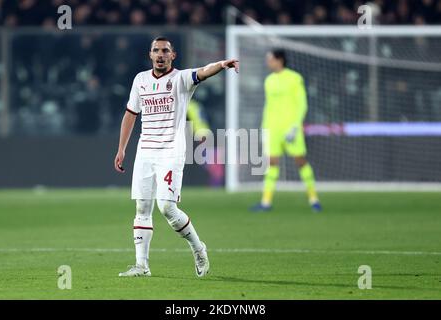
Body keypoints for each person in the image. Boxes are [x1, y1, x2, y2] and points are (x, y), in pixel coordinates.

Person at [114, 36, 239, 277]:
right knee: (142, 206)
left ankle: (198, 248)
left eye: (164, 51)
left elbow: (203, 72)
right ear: (150, 54)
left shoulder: (181, 79)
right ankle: (142, 265)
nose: (160, 54)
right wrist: (122, 149)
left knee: (167, 208)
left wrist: (222, 64)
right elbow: (131, 114)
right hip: (145, 151)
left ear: (173, 56)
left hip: (171, 151)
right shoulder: (140, 80)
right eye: (155, 50)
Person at [250, 49, 321, 213]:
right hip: (272, 128)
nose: (268, 62)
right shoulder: (269, 80)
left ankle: (314, 199)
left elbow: (302, 104)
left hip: (290, 129)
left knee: (300, 161)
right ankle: (266, 202)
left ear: (279, 60)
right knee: (271, 164)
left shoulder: (295, 78)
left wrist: (295, 126)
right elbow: (269, 106)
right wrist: (264, 127)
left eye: (270, 59)